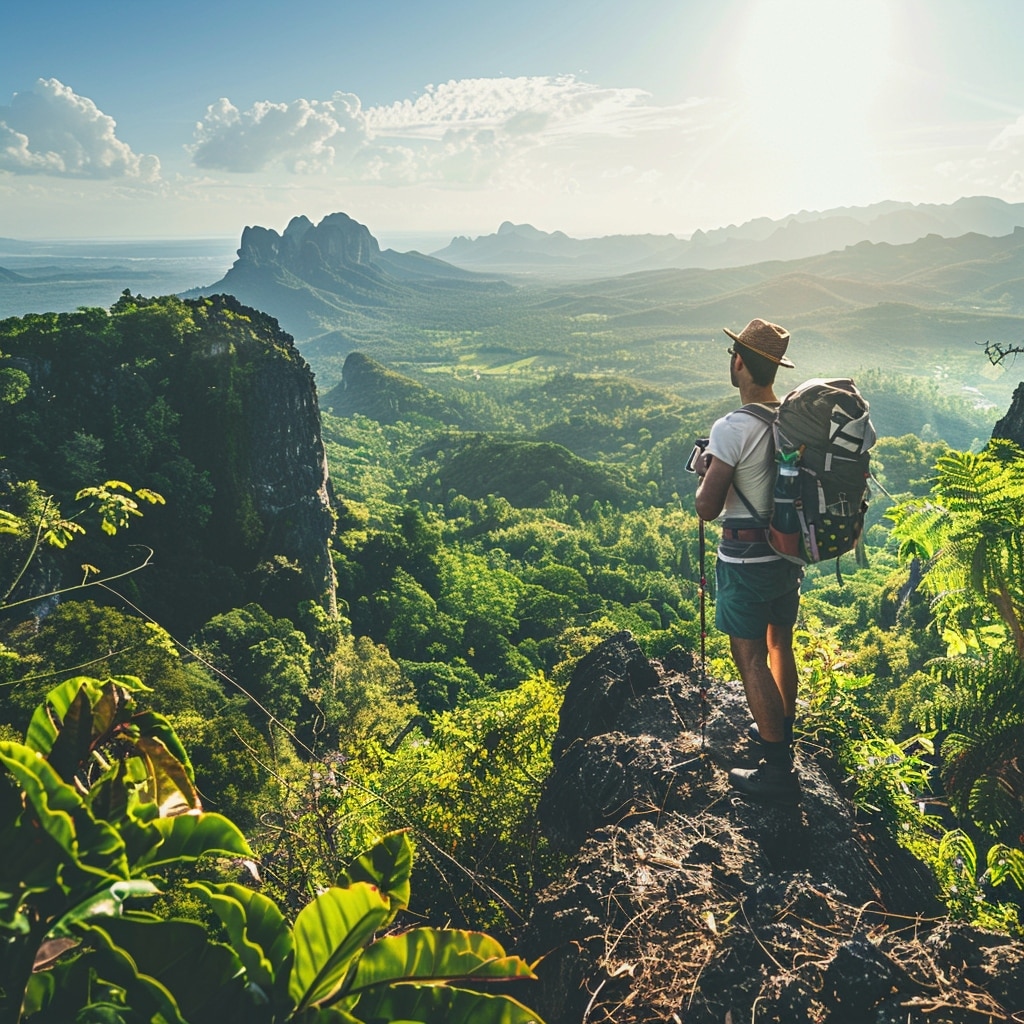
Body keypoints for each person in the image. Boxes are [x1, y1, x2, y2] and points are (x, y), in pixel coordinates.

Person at [694, 318, 803, 803]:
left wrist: (706, 469)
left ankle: (776, 770)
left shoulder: (733, 427)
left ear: (739, 362)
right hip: (785, 554)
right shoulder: (794, 420)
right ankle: (784, 733)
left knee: (749, 656)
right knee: (781, 646)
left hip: (744, 562)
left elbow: (707, 507)